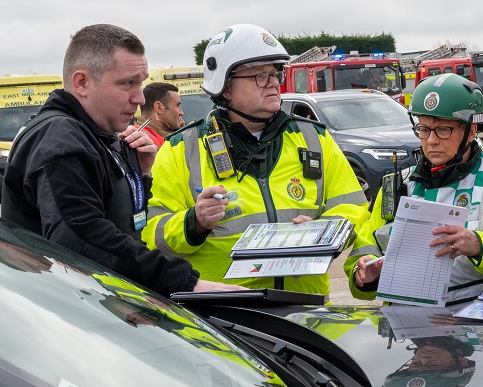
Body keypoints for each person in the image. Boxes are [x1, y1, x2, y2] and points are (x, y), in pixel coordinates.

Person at [2, 24, 237, 296]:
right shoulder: (60, 139)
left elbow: (123, 222)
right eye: (127, 83)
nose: (139, 98)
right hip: (65, 312)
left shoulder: (96, 134)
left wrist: (142, 175)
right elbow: (80, 237)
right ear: (82, 83)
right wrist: (183, 282)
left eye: (141, 83)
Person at [143, 24, 370, 296]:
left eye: (275, 73)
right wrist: (195, 222)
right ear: (225, 87)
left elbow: (353, 208)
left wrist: (324, 231)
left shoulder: (313, 137)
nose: (274, 83)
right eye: (260, 76)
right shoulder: (181, 149)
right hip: (224, 315)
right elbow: (153, 236)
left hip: (307, 310)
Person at [345, 73, 483, 303]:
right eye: (424, 129)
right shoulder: (397, 184)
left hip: (477, 327)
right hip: (408, 330)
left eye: (443, 129)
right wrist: (365, 274)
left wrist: (478, 246)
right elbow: (363, 253)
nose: (431, 140)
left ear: (471, 131)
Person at [139, 81, 185, 148]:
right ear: (159, 108)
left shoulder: (145, 136)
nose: (181, 112)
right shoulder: (147, 143)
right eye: (177, 105)